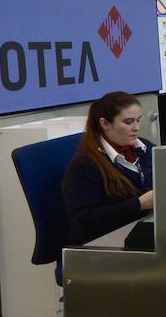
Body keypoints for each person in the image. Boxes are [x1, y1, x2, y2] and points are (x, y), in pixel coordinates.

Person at [61, 91, 154, 248]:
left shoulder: (145, 148)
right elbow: (85, 221)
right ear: (105, 124)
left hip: (140, 231)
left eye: (138, 120)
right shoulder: (84, 166)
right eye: (128, 122)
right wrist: (139, 204)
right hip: (103, 243)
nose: (136, 128)